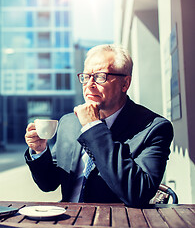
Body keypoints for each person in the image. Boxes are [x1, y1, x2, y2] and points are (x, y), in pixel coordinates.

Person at [24, 44, 173, 207]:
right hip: (68, 219)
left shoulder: (154, 128)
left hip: (117, 221)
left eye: (100, 77)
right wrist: (39, 151)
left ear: (125, 84)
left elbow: (138, 193)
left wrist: (93, 128)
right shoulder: (69, 122)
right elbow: (49, 183)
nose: (89, 85)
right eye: (86, 77)